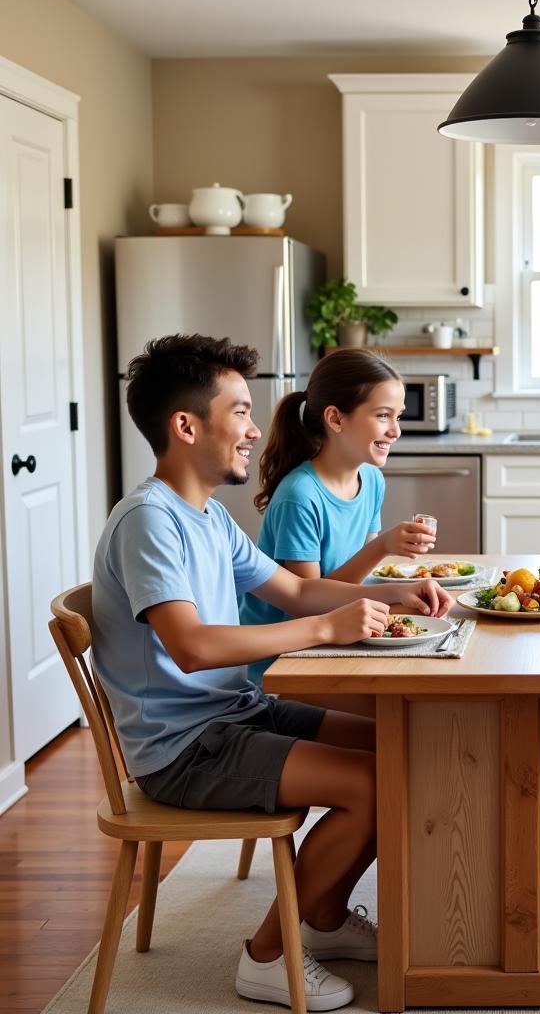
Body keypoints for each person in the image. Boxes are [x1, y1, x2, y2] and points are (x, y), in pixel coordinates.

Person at [90, 334, 451, 1011]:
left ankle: (323, 918)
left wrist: (390, 596)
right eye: (239, 411)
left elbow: (294, 590)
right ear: (186, 425)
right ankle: (266, 955)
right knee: (372, 785)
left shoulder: (208, 518)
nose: (256, 429)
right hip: (183, 749)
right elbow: (191, 647)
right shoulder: (150, 522)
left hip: (233, 715)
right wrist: (326, 629)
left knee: (402, 746)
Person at [240, 349, 436, 687]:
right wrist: (384, 546)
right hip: (281, 666)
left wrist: (400, 588)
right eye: (383, 416)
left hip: (330, 639)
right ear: (336, 419)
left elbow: (352, 584)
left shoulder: (371, 479)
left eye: (398, 416)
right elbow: (307, 602)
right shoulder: (300, 496)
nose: (396, 431)